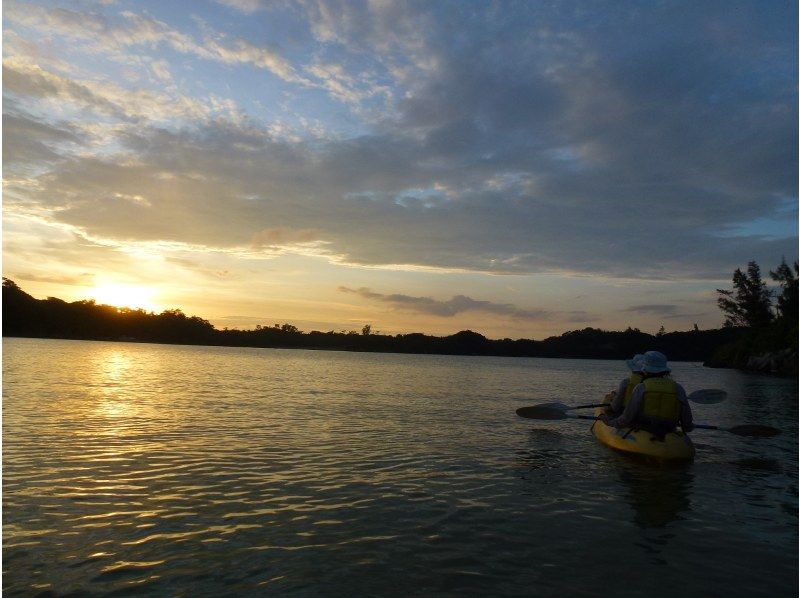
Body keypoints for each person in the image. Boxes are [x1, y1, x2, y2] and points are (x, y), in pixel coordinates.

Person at [600, 351, 693, 436]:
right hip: (669, 427)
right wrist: (688, 427)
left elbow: (627, 417)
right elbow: (687, 421)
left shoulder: (641, 388)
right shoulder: (678, 388)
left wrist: (610, 422)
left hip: (644, 426)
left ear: (645, 370)